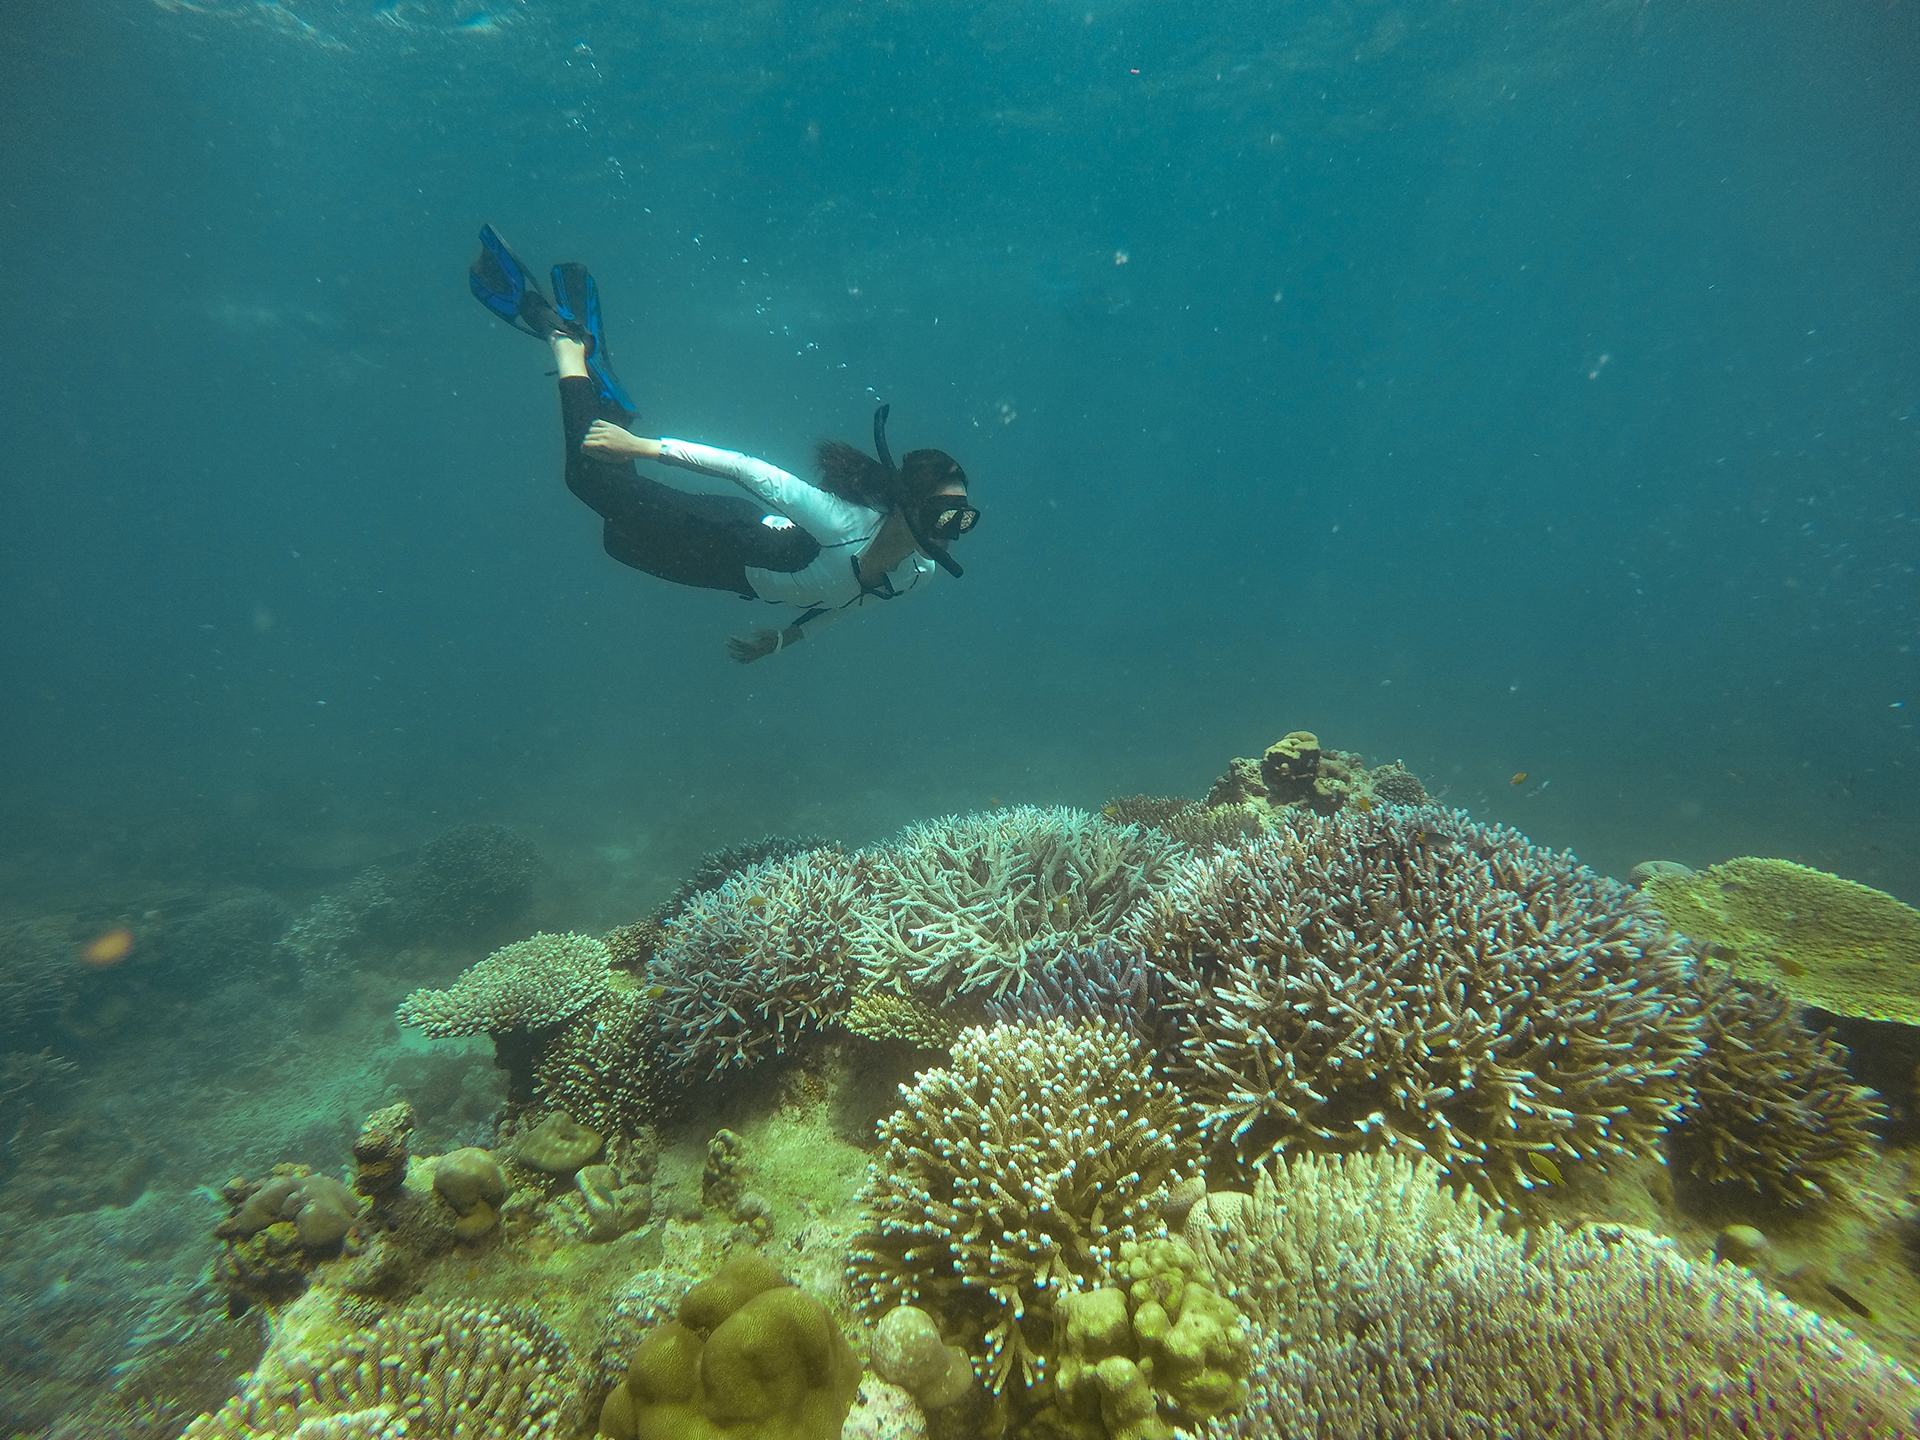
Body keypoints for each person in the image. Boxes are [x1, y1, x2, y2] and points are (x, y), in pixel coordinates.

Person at [467, 226, 978, 662]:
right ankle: (568, 346)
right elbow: (746, 468)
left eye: (962, 518)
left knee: (615, 541)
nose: (953, 530)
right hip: (722, 532)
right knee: (587, 479)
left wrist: (783, 640)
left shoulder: (918, 574)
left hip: (721, 574)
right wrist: (643, 447)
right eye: (946, 513)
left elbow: (845, 607)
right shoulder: (842, 524)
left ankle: (605, 391)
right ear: (909, 505)